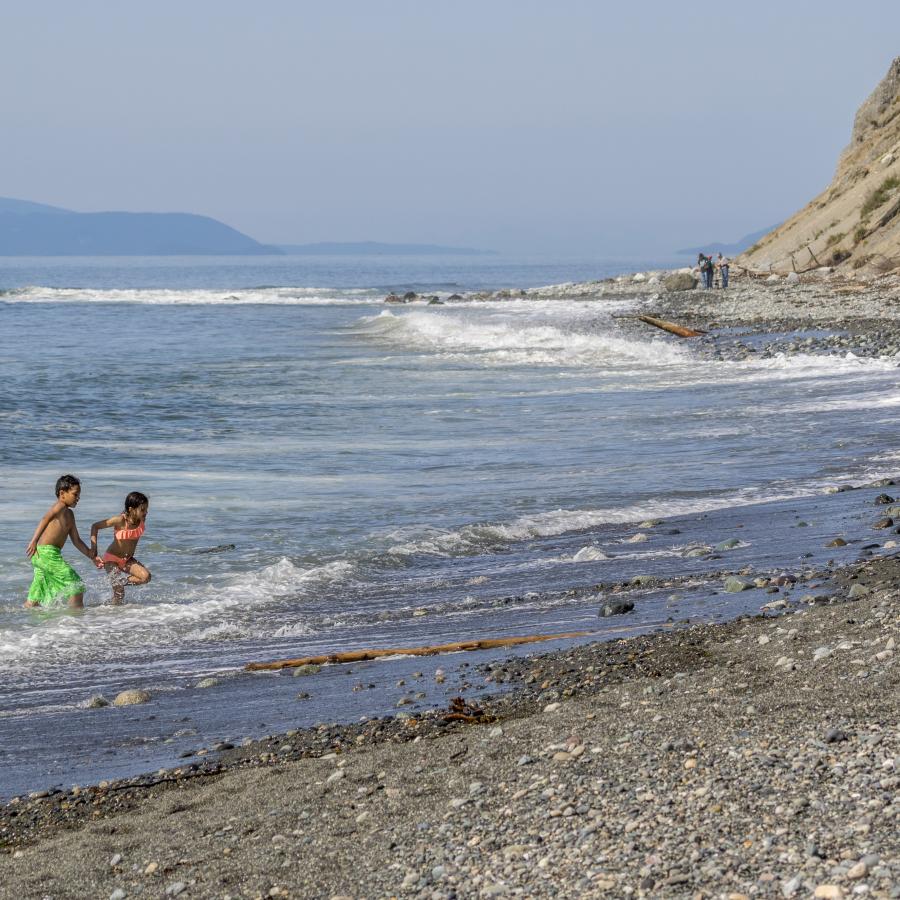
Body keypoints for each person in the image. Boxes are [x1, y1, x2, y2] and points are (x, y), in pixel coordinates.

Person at [25, 474, 103, 608]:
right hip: (47, 554)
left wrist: (91, 555)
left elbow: (76, 540)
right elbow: (45, 518)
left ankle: (21, 620)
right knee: (75, 584)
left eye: (79, 495)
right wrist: (34, 541)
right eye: (75, 494)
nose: (78, 498)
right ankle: (74, 621)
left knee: (36, 594)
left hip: (43, 555)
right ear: (62, 494)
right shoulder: (60, 506)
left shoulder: (70, 515)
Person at [91, 491, 152, 605]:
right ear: (131, 509)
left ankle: (121, 582)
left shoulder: (141, 520)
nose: (146, 512)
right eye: (142, 509)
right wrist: (93, 550)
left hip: (127, 559)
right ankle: (107, 612)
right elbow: (95, 526)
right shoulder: (120, 520)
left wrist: (122, 581)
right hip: (111, 559)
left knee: (146, 577)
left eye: (146, 509)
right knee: (119, 593)